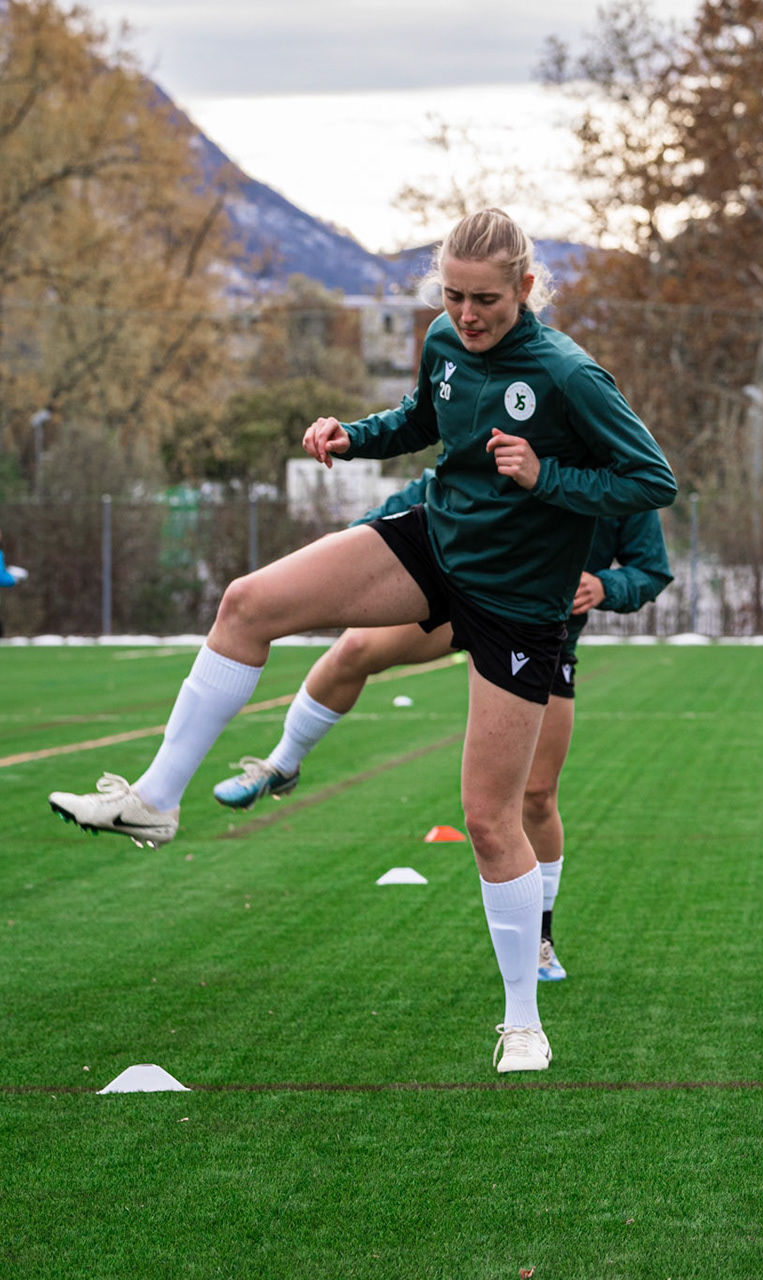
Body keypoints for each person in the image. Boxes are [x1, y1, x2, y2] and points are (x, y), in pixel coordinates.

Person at [48, 208, 677, 1074]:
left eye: (485, 299)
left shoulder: (570, 374)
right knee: (247, 603)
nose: (467, 314)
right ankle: (156, 800)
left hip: (520, 604)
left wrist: (546, 475)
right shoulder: (445, 342)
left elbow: (653, 479)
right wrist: (355, 435)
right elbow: (425, 416)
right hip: (433, 543)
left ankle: (524, 1023)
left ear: (526, 289)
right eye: (453, 296)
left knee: (491, 819)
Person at [210, 471, 673, 983]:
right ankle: (282, 763)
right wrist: (353, 557)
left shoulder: (613, 466)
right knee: (356, 647)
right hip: (455, 601)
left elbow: (651, 571)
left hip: (538, 631)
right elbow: (403, 510)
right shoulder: (493, 436)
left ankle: (541, 937)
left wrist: (607, 585)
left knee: (537, 795)